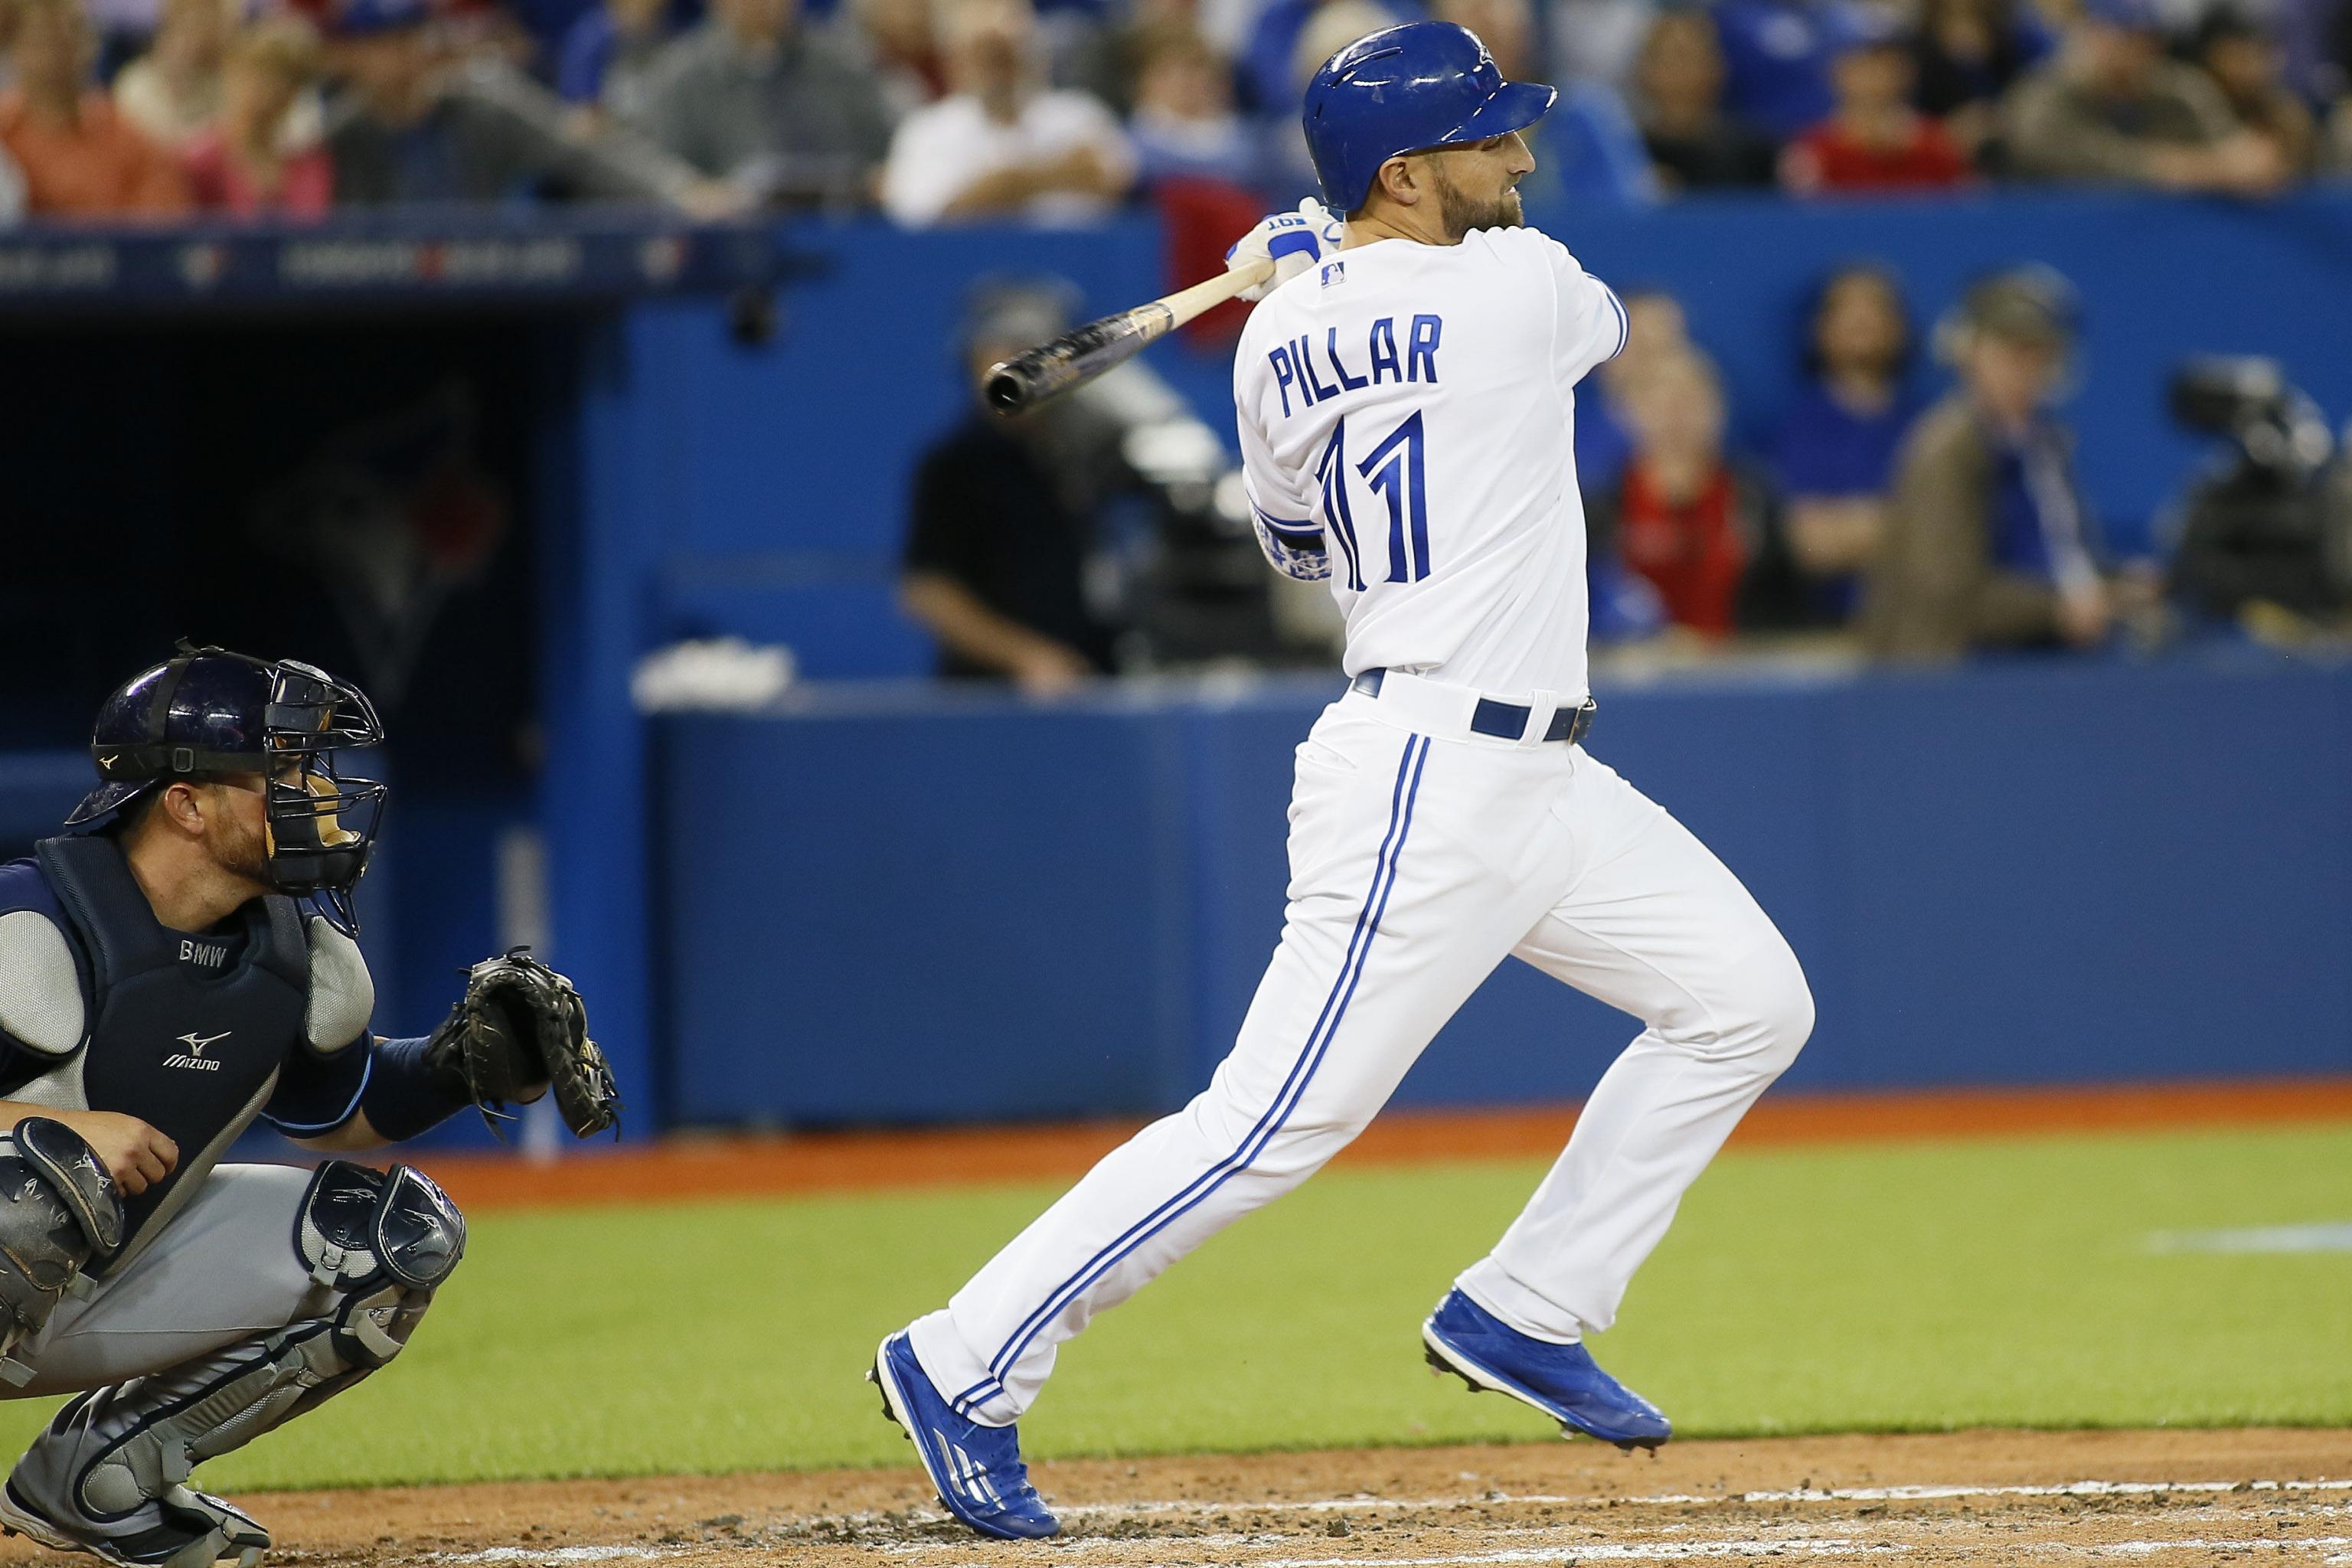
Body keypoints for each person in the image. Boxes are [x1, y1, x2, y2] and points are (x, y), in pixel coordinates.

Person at [867, 21, 1813, 1540]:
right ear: (1404, 168)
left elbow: (1303, 545)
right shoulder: (1519, 287)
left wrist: (1324, 280)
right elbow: (1603, 320)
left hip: (1542, 775)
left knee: (1749, 1000)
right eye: (1486, 139)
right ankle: (965, 1356)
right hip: (1428, 775)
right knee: (1268, 1124)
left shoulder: (1269, 338)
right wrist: (1351, 268)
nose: (1517, 156)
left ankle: (1528, 1304)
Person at [0, 645, 615, 1566]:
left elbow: (345, 1106)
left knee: (395, 1235)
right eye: (285, 768)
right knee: (41, 1182)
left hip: (84, 1289)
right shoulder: (28, 925)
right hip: (20, 1245)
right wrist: (39, 1125)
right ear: (187, 803)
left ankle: (100, 1476)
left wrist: (461, 1065)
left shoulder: (299, 958)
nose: (322, 791)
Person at [1864, 270, 2140, 658]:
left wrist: (2111, 588)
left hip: (2041, 661)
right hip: (1954, 677)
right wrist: (2058, 609)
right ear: (1968, 351)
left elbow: (2062, 558)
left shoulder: (2047, 444)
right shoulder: (1946, 448)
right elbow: (1950, 596)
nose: (2021, 367)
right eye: (2008, 349)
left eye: (2036, 351)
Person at [900, 283, 1126, 691]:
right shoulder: (955, 465)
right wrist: (1028, 658)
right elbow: (928, 591)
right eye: (1003, 355)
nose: (1022, 373)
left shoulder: (1089, 449)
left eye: (1035, 357)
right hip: (993, 699)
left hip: (1093, 684)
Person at [322, 0, 724, 209]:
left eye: (409, 38)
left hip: (485, 306)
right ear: (353, 55)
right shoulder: (337, 136)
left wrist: (680, 189)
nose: (400, 56)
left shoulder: (485, 107)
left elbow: (582, 151)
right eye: (381, 44)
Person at [1589, 348, 1793, 635]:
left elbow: (1781, 598)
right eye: (1662, 402)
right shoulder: (1602, 505)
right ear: (1627, 412)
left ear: (1718, 408)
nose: (1677, 415)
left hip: (1737, 665)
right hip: (1633, 670)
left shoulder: (1754, 494)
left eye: (1690, 400)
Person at [880, 0, 1136, 224]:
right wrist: (1053, 174)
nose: (997, 70)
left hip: (1083, 266)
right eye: (984, 55)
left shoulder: (1080, 115)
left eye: (1007, 53)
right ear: (955, 61)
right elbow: (930, 215)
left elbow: (1112, 180)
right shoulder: (926, 131)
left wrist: (997, 189)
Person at [2001, 0, 2287, 191]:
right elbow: (2087, 165)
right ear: (2089, 33)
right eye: (2121, 35)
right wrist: (2204, 168)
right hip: (2058, 244)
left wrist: (2246, 160)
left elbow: (2247, 160)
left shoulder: (2180, 90)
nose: (2134, 51)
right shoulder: (2041, 97)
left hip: (2174, 247)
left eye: (2146, 37)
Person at [1771, 263, 1921, 619]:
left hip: (1930, 633)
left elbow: (1958, 540)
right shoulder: (1794, 431)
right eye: (1846, 310)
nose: (1861, 322)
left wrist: (1852, 526)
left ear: (1899, 328)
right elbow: (1803, 545)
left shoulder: (1932, 428)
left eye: (1875, 308)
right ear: (1818, 330)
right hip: (1825, 630)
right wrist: (1906, 527)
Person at [633, 0, 893, 204]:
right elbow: (659, 164)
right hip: (732, 242)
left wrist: (879, 178)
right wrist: (693, 190)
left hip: (843, 228)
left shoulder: (844, 66)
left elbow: (890, 152)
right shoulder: (680, 77)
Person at [0, 0, 192, 220]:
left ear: (89, 45)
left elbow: (164, 235)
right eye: (41, 40)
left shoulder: (132, 141)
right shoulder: (5, 136)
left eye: (69, 36)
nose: (55, 54)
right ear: (12, 47)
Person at [1781, 21, 1971, 192]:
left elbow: (1969, 210)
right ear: (1836, 73)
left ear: (1906, 72)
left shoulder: (1938, 144)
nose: (1874, 78)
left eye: (1885, 65)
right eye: (1862, 66)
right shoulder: (1812, 151)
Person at [181, 18, 334, 217]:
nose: (267, 93)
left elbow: (313, 231)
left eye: (283, 82)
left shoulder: (309, 163)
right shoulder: (200, 162)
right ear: (230, 76)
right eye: (256, 76)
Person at [1628, 9, 1777, 191]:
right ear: (1642, 71)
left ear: (1717, 68)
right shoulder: (1626, 151)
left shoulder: (1756, 153)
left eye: (1688, 57)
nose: (1680, 71)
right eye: (1667, 58)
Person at [2194, 8, 2318, 175]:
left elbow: (2281, 166)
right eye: (2236, 56)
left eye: (2255, 55)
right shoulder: (2191, 97)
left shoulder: (2284, 109)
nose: (2247, 68)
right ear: (2211, 57)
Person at [111, 0, 234, 150]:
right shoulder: (135, 86)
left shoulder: (228, 86)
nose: (202, 32)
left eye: (214, 20)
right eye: (192, 20)